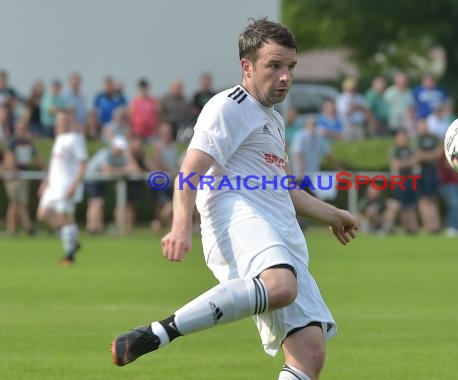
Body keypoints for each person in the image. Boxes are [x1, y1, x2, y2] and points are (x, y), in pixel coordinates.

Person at [110, 18, 358, 380]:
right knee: (280, 286)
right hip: (237, 215)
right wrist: (180, 226)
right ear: (247, 66)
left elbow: (285, 188)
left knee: (309, 353)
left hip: (279, 231)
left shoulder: (273, 120)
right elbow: (189, 171)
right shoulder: (229, 105)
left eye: (290, 67)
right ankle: (159, 333)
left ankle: (159, 333)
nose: (285, 76)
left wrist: (333, 214)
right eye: (274, 66)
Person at [36, 110, 88, 265]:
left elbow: (83, 163)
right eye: (59, 121)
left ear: (70, 121)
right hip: (53, 185)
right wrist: (46, 182)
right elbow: (54, 164)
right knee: (42, 214)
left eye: (65, 120)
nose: (62, 123)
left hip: (66, 185)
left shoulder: (75, 139)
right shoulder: (59, 138)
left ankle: (69, 255)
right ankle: (73, 241)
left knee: (64, 217)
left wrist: (75, 184)